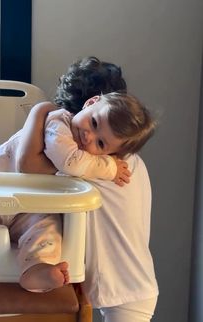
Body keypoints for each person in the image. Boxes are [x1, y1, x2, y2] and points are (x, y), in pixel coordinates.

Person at [15, 56, 159, 322]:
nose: (86, 138)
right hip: (127, 282)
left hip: (126, 287)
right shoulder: (118, 157)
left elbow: (27, 166)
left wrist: (40, 111)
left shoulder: (98, 162)